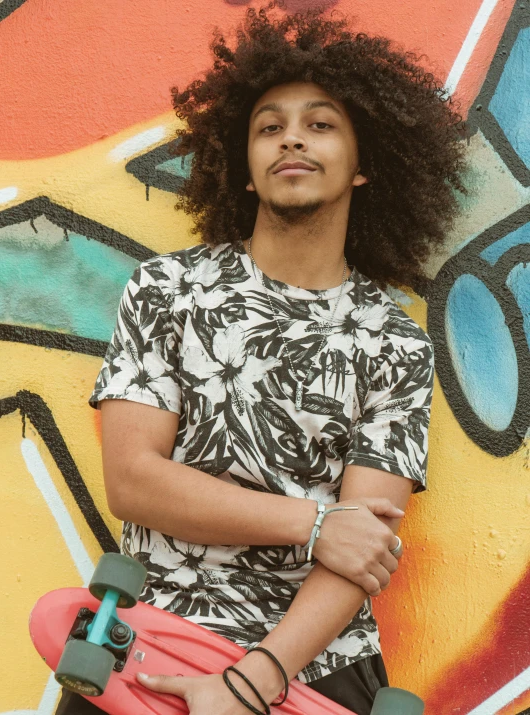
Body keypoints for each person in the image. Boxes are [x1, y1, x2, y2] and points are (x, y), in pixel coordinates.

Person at [55, 3, 466, 714]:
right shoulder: (170, 290)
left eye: (320, 123)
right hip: (150, 644)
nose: (291, 140)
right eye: (269, 127)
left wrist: (252, 681)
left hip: (311, 668)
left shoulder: (395, 344)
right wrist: (312, 524)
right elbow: (133, 480)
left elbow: (363, 549)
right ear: (244, 169)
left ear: (365, 166)